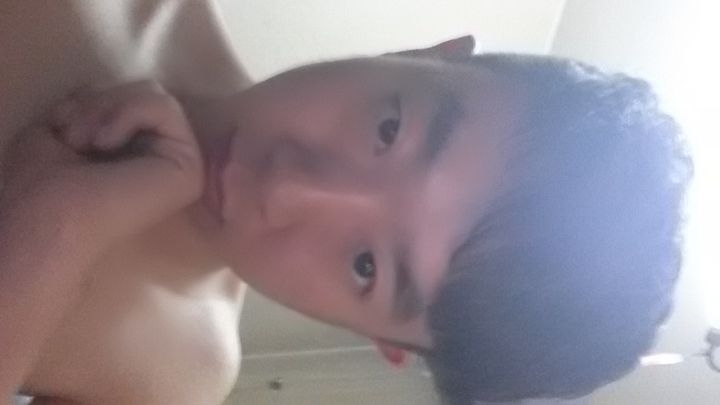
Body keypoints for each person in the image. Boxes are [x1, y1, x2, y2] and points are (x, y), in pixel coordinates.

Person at [0, 2, 691, 405]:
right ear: (433, 51)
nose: (286, 188)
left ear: (385, 343)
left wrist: (51, 231)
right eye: (388, 129)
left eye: (367, 267)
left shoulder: (176, 375)